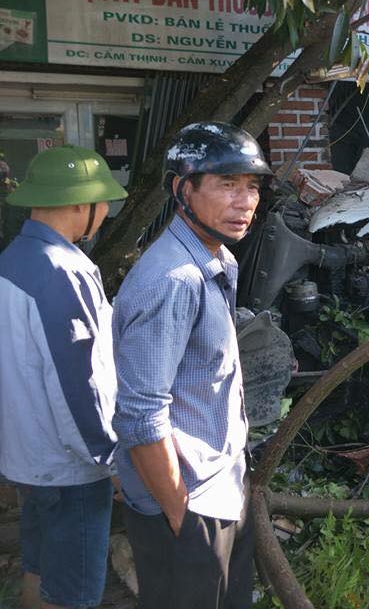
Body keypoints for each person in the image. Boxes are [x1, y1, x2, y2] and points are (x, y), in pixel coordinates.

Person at [112, 122, 272, 608]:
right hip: (186, 505)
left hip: (220, 488)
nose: (244, 202)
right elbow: (141, 417)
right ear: (183, 189)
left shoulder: (217, 260)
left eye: (252, 187)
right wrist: (182, 516)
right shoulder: (172, 280)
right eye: (227, 185)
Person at [0, 146, 127, 609]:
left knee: (38, 569)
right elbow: (79, 383)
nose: (107, 212)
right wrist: (112, 460)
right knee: (72, 594)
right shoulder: (59, 272)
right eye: (103, 201)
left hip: (29, 460)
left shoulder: (13, 260)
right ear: (80, 204)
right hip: (71, 467)